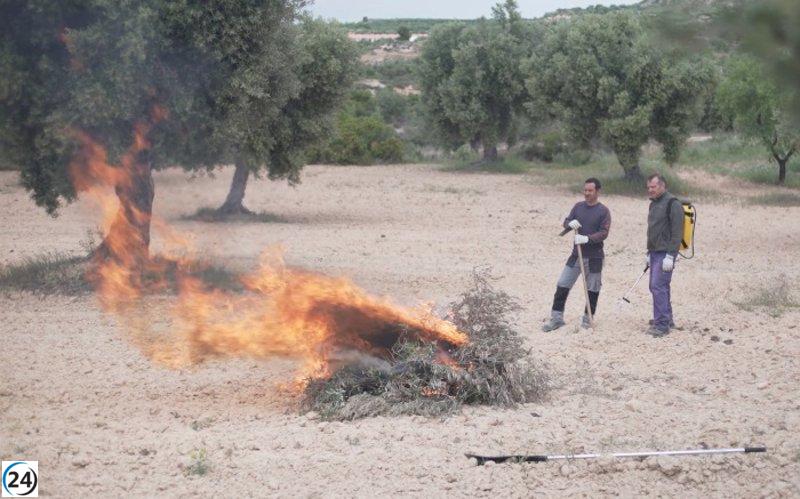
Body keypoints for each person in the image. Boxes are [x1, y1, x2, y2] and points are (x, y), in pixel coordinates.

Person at [542, 178, 611, 332]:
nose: (586, 193)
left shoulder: (603, 211)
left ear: (597, 192)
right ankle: (557, 319)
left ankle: (587, 320)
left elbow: (604, 233)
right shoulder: (578, 207)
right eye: (585, 190)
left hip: (594, 257)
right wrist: (569, 224)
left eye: (590, 191)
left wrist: (588, 238)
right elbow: (567, 221)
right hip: (576, 255)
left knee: (592, 289)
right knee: (562, 283)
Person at [645, 173, 684, 337]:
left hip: (665, 253)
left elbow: (677, 232)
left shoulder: (673, 204)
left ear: (662, 186)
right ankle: (667, 319)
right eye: (648, 187)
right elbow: (653, 230)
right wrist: (648, 252)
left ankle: (661, 325)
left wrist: (671, 255)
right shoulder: (653, 204)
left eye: (653, 187)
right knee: (659, 286)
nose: (650, 190)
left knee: (658, 286)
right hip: (654, 252)